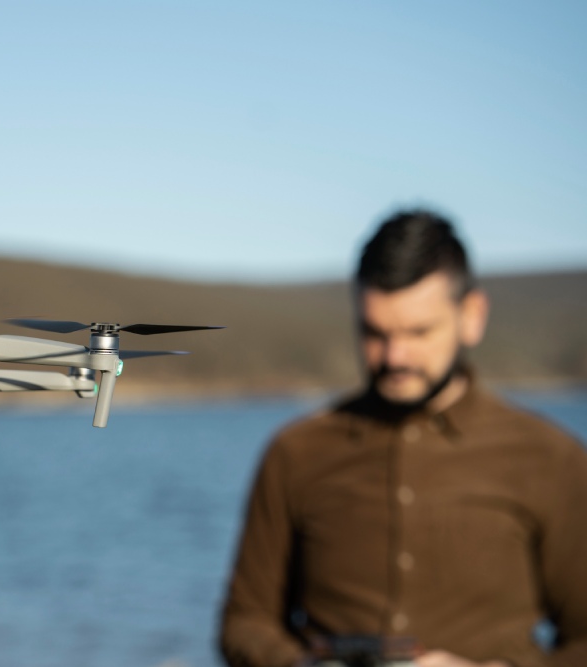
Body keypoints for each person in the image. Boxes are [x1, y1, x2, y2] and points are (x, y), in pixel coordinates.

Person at [218, 209, 587, 667]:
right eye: (375, 333)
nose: (395, 357)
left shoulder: (550, 458)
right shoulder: (294, 453)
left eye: (419, 332)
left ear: (472, 316)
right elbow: (244, 623)